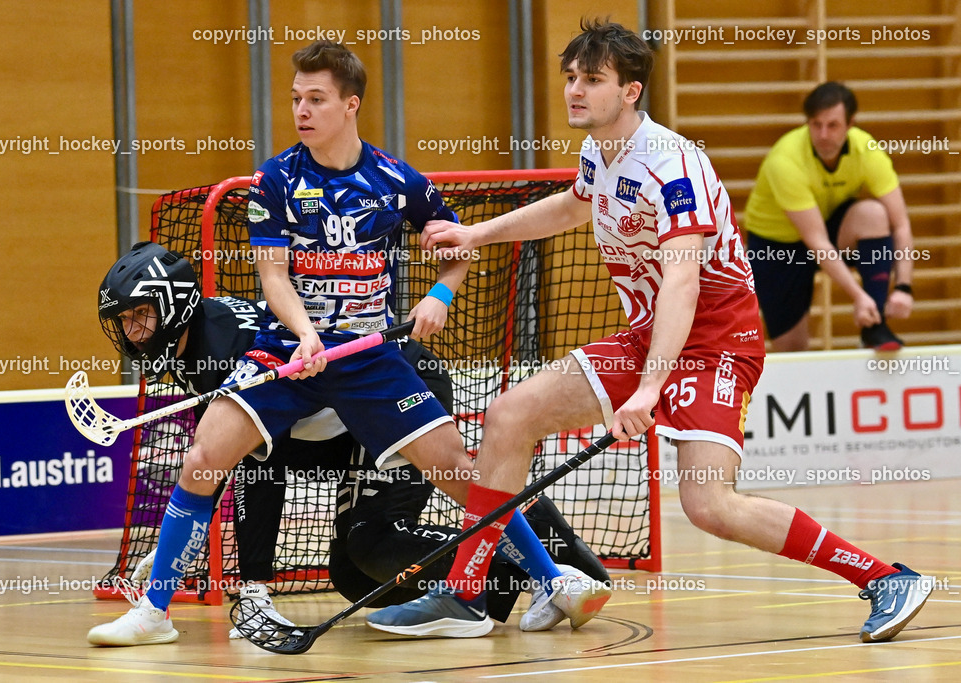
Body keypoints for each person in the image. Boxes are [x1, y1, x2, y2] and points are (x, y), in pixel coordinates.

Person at [367, 19, 931, 643]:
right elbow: (573, 206)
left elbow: (684, 282)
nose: (575, 90)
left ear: (632, 91)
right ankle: (466, 595)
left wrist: (647, 389)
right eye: (572, 78)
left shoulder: (674, 165)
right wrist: (477, 234)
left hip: (716, 339)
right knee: (507, 417)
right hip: (650, 332)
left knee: (709, 506)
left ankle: (884, 578)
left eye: (593, 80)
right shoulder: (598, 151)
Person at [87, 41, 609, 646]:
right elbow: (273, 276)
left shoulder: (397, 181)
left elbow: (457, 247)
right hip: (285, 350)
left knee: (460, 471)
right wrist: (305, 334)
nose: (301, 111)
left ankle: (552, 579)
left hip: (369, 359)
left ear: (350, 105)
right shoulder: (275, 180)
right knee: (204, 458)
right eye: (295, 99)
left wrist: (439, 297)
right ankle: (155, 612)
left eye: (316, 99)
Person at [92, 243, 609, 639]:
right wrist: (174, 551)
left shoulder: (224, 346)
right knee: (353, 573)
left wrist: (253, 588)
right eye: (125, 323)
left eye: (141, 317)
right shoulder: (198, 341)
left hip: (391, 385)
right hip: (341, 423)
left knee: (383, 528)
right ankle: (509, 577)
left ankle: (549, 567)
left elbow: (257, 474)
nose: (133, 332)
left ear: (174, 305)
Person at [744, 82, 915, 351]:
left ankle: (875, 325)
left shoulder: (866, 150)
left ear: (850, 124)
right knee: (792, 347)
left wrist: (904, 287)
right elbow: (817, 242)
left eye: (833, 125)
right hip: (775, 243)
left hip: (824, 227)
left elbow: (901, 223)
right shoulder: (785, 160)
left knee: (873, 214)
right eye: (816, 124)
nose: (823, 134)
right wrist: (857, 296)